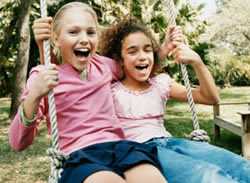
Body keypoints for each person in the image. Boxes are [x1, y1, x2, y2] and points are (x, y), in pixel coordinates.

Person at [8, 2, 168, 183]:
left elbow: (136, 66)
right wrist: (34, 95)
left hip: (121, 148)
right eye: (73, 32)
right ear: (55, 39)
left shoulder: (104, 66)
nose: (84, 39)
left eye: (90, 32)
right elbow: (18, 142)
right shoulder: (43, 77)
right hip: (81, 156)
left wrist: (164, 50)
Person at [99, 17, 250, 183]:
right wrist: (162, 50)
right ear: (119, 59)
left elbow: (211, 97)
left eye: (147, 50)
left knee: (241, 167)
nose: (142, 56)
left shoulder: (160, 84)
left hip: (172, 143)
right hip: (141, 153)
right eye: (132, 51)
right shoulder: (110, 89)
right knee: (208, 176)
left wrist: (197, 63)